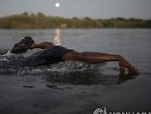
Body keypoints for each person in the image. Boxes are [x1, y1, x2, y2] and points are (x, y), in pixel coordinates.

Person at [11, 36, 140, 75]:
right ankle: (116, 57)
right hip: (50, 50)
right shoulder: (44, 49)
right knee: (80, 56)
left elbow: (82, 56)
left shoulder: (25, 61)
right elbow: (48, 44)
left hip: (49, 53)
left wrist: (116, 57)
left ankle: (117, 57)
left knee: (81, 56)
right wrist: (34, 45)